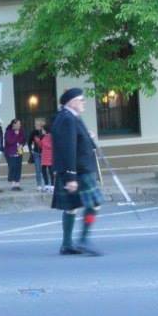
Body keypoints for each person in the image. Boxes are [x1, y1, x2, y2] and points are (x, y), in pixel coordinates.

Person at [51, 88, 104, 256]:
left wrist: (89, 137)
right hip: (79, 171)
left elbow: (77, 140)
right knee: (94, 204)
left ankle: (67, 245)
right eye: (81, 99)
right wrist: (71, 176)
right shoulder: (68, 119)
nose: (84, 102)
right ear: (72, 102)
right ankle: (84, 239)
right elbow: (68, 148)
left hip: (78, 170)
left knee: (71, 207)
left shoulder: (70, 117)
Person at [3, 118, 26, 191]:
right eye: (18, 124)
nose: (20, 125)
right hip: (11, 152)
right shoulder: (8, 132)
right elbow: (9, 141)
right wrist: (16, 135)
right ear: (14, 124)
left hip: (19, 151)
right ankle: (13, 184)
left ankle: (17, 183)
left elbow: (24, 139)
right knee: (13, 167)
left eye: (20, 124)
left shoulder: (21, 131)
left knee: (18, 167)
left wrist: (22, 144)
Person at [29, 119, 46, 191]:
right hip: (36, 153)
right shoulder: (33, 132)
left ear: (41, 125)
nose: (36, 125)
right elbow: (29, 142)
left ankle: (46, 184)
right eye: (35, 124)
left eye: (37, 124)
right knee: (38, 169)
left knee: (45, 170)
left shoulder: (45, 132)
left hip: (45, 153)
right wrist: (31, 150)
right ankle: (39, 185)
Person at [40, 122, 54, 192]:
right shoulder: (44, 136)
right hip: (44, 156)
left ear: (46, 130)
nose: (42, 131)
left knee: (51, 171)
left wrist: (43, 143)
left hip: (50, 156)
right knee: (43, 171)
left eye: (42, 129)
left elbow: (51, 146)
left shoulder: (51, 136)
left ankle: (52, 185)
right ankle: (46, 185)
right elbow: (41, 146)